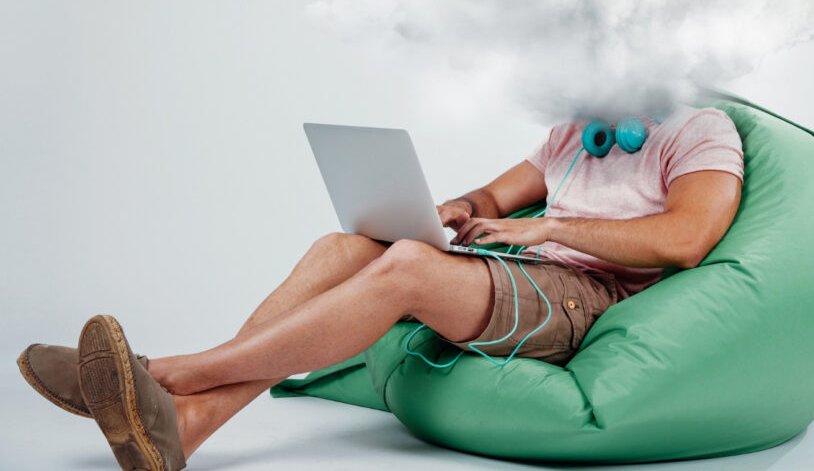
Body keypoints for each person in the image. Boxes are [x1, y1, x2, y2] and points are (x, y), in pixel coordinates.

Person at [17, 105, 743, 470]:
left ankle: (165, 375)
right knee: (343, 247)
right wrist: (460, 208)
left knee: (405, 269)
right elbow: (495, 196)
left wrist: (544, 229)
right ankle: (189, 425)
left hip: (590, 298)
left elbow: (685, 239)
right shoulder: (578, 129)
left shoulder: (700, 129)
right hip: (530, 273)